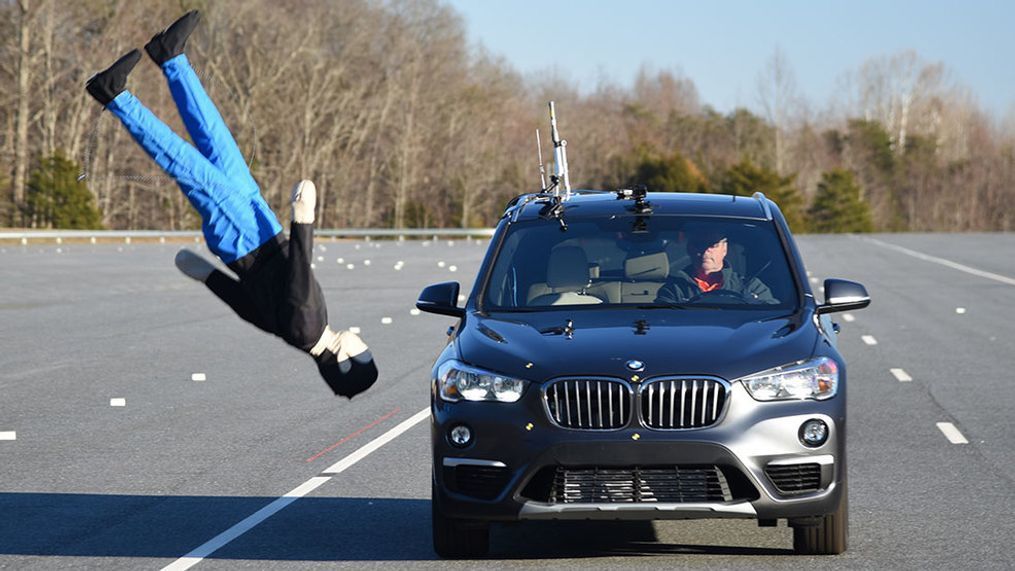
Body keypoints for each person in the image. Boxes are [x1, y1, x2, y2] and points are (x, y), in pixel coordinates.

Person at [84, 11, 377, 398]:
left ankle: (113, 95)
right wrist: (207, 276)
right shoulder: (298, 336)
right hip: (254, 230)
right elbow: (245, 307)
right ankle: (171, 57)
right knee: (215, 141)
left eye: (363, 353)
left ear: (344, 359)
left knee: (181, 159)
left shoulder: (309, 325)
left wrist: (303, 219)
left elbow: (299, 273)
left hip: (247, 238)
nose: (360, 342)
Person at [655, 226, 777, 305]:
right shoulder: (674, 290)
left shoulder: (751, 287)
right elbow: (663, 322)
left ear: (724, 249)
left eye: (712, 245)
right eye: (698, 244)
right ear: (689, 248)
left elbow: (774, 316)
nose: (705, 250)